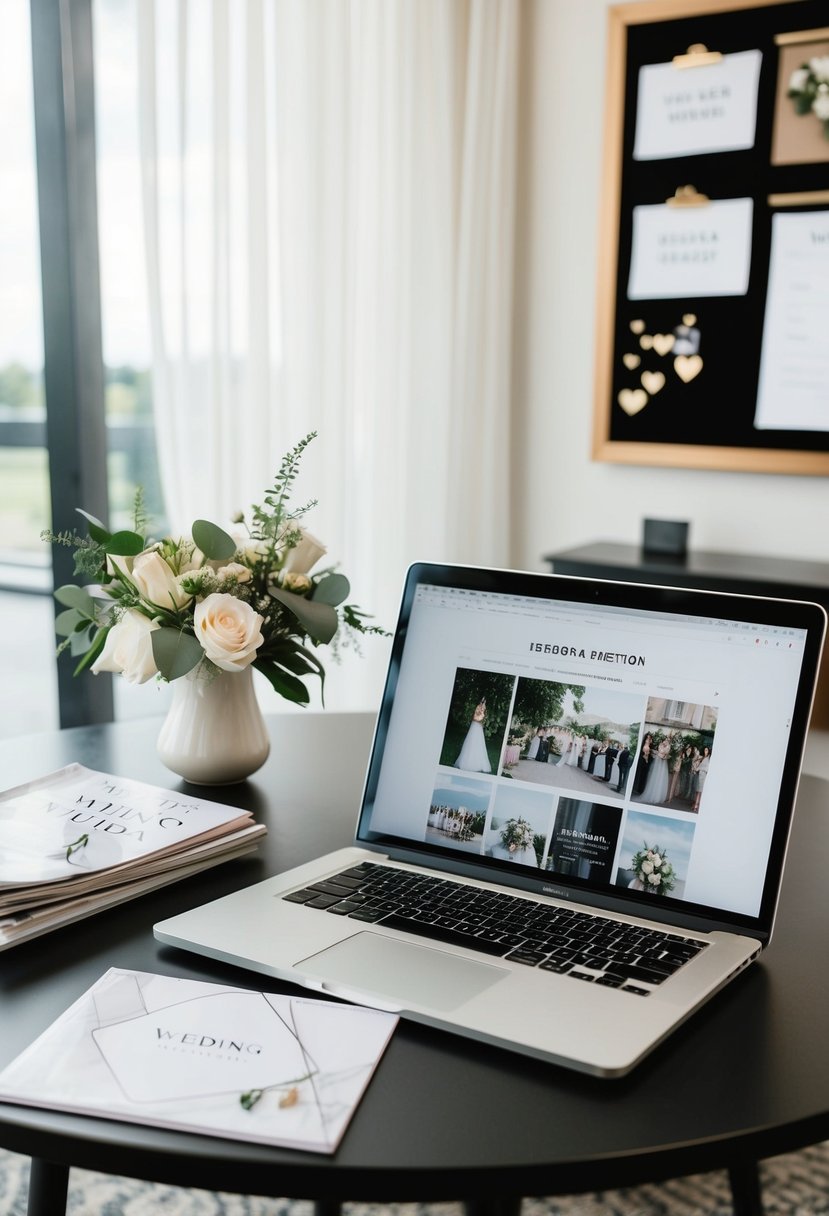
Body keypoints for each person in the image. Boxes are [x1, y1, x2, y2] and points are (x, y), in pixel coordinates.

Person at [453, 698, 491, 773]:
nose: (483, 703)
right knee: (471, 741)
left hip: (479, 727)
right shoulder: (478, 707)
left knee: (479, 743)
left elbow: (483, 716)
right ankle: (467, 762)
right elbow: (475, 717)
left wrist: (482, 716)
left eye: (484, 702)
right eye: (483, 701)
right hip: (475, 725)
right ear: (481, 701)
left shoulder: (484, 708)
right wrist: (480, 717)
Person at [641, 735, 670, 804]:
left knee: (661, 778)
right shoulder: (660, 745)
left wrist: (665, 750)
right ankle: (652, 795)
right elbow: (661, 751)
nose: (665, 741)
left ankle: (658, 796)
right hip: (658, 761)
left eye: (667, 740)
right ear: (662, 741)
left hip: (663, 763)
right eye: (665, 740)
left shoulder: (668, 746)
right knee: (655, 776)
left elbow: (666, 752)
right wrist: (663, 751)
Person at [692, 746, 711, 812]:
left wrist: (699, 768)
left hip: (703, 775)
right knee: (698, 791)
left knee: (700, 791)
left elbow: (706, 768)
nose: (705, 751)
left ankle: (697, 805)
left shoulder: (708, 759)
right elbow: (695, 763)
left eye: (706, 750)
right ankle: (695, 804)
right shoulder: (702, 757)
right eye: (705, 750)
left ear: (708, 751)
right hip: (699, 775)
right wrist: (696, 768)